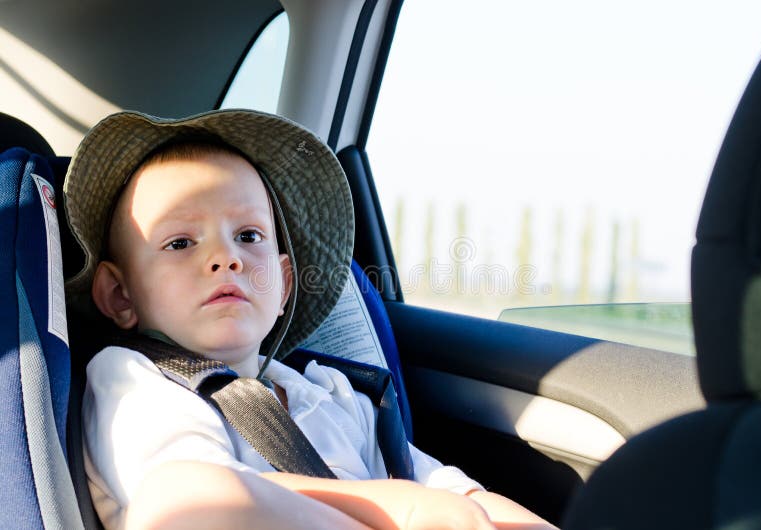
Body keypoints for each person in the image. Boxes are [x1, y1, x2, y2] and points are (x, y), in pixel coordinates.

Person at [64, 109, 557, 530]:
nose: (226, 257)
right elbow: (185, 499)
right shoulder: (133, 378)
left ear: (283, 285)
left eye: (249, 236)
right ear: (120, 295)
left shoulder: (332, 392)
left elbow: (450, 492)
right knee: (184, 489)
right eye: (180, 243)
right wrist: (395, 507)